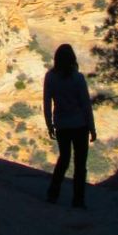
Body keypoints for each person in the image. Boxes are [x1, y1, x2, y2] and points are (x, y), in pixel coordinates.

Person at [43, 43, 96, 208]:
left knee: (63, 160)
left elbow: (46, 103)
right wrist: (92, 128)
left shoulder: (50, 77)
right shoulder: (78, 78)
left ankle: (53, 193)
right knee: (80, 164)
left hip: (62, 125)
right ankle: (78, 200)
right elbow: (86, 105)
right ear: (73, 59)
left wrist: (49, 124)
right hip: (80, 125)